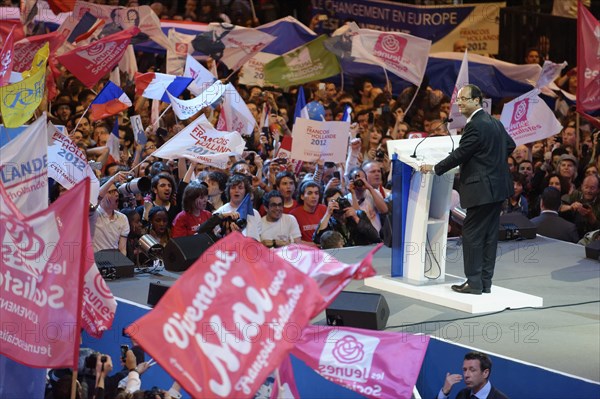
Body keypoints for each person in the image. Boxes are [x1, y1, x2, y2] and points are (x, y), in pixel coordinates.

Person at [421, 84, 516, 295]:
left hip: (481, 189)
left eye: (463, 99)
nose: (459, 102)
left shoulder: (475, 125)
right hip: (498, 188)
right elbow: (510, 145)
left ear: (476, 101)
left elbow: (461, 154)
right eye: (458, 99)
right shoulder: (494, 123)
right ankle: (485, 282)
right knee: (489, 236)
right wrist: (490, 160)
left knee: (472, 235)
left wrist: (435, 168)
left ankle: (473, 282)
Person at [314, 188, 381, 248]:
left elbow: (375, 237)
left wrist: (356, 219)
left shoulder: (359, 214)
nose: (337, 204)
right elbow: (317, 240)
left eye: (339, 200)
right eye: (333, 202)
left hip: (361, 255)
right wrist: (328, 213)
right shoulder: (328, 223)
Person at [438, 351, 509, 399]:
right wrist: (445, 392)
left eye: (472, 370)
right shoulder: (462, 394)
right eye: (465, 370)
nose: (466, 375)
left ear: (485, 373)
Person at [290, 181, 327, 246]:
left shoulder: (324, 209)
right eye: (310, 193)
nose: (314, 196)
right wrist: (316, 245)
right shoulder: (294, 214)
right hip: (304, 251)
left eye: (316, 193)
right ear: (302, 196)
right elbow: (293, 240)